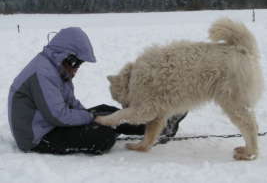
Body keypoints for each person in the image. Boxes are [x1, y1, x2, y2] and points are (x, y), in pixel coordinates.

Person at [8, 27, 188, 155]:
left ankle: (157, 125)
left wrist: (93, 114)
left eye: (80, 64)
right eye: (76, 62)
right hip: (37, 137)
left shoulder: (56, 69)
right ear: (66, 56)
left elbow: (69, 102)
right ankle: (140, 127)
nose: (77, 68)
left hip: (50, 125)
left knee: (109, 112)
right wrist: (91, 118)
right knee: (103, 137)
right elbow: (58, 116)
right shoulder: (42, 74)